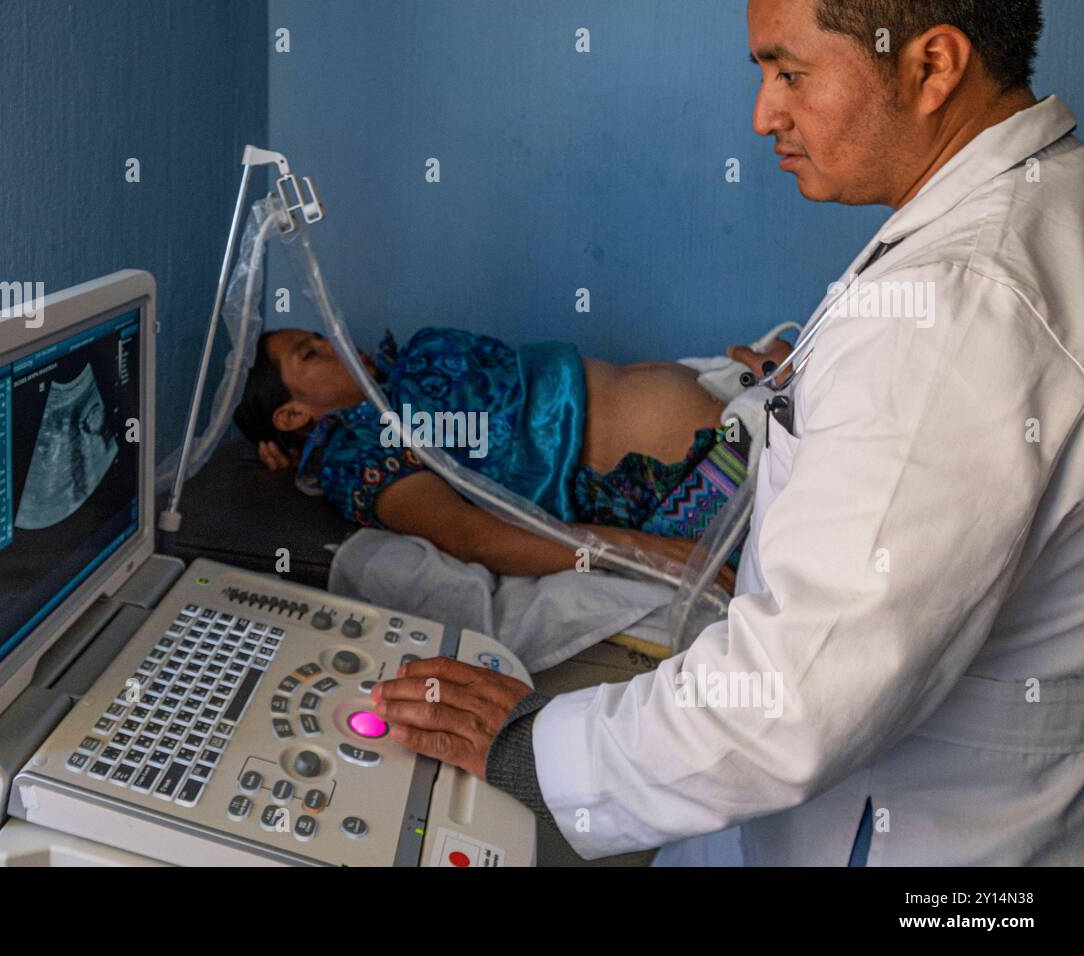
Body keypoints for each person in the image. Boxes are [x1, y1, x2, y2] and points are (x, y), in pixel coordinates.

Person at [371, 0, 1084, 865]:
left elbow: (799, 695)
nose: (762, 114)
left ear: (932, 66)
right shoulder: (1034, 210)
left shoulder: (956, 304)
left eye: (789, 72)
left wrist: (536, 753)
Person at [234, 325, 789, 587]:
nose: (335, 340)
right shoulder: (360, 455)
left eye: (320, 335)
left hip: (743, 410)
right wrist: (659, 555)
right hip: (708, 489)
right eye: (313, 353)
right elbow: (469, 535)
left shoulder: (406, 363)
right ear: (290, 416)